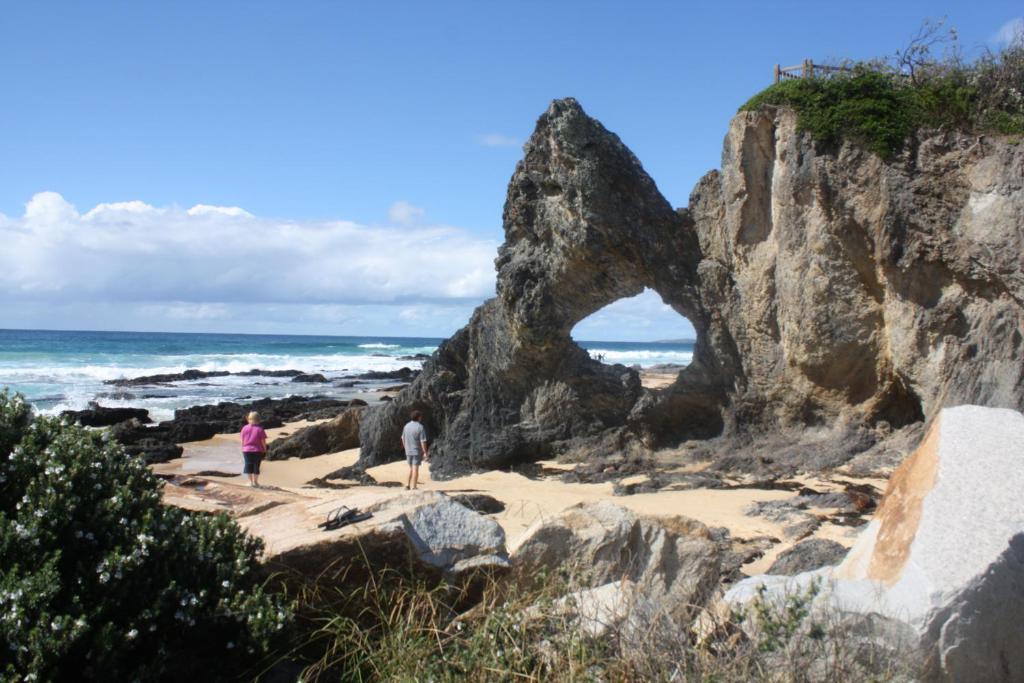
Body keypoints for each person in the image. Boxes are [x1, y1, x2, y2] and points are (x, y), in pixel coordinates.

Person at [400, 410, 429, 490]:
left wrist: (405, 447)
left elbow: (402, 438)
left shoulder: (406, 426)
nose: (421, 418)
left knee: (410, 468)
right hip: (416, 451)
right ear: (418, 417)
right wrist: (425, 453)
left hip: (408, 451)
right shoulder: (420, 427)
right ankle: (414, 486)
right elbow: (422, 441)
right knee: (415, 468)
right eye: (421, 417)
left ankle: (407, 485)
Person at [240, 411, 267, 488]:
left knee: (248, 465)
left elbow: (242, 440)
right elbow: (263, 441)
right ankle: (255, 482)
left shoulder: (244, 428)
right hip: (257, 450)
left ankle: (250, 482)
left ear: (248, 419)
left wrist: (242, 448)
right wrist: (265, 449)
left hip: (246, 450)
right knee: (256, 466)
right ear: (258, 420)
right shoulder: (260, 429)